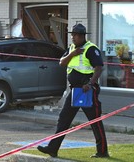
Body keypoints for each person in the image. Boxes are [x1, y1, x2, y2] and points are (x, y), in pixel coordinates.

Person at [37, 23, 109, 158]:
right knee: (63, 119)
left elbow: (99, 68)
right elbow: (62, 62)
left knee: (94, 121)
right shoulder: (71, 49)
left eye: (75, 35)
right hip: (75, 90)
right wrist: (73, 54)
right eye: (72, 35)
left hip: (87, 90)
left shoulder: (91, 49)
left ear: (82, 36)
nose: (73, 38)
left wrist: (90, 83)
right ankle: (53, 148)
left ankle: (102, 151)